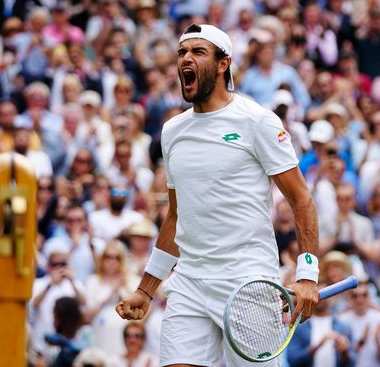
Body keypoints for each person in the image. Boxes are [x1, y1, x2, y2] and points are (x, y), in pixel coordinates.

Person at [116, 24, 320, 367]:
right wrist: (146, 288)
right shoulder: (172, 131)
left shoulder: (257, 121)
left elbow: (301, 199)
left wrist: (307, 275)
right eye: (182, 52)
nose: (186, 58)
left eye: (198, 52)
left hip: (248, 282)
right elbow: (177, 216)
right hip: (190, 284)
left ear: (223, 63)